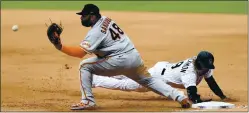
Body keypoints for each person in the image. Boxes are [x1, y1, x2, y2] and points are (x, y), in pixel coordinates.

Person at [46, 4, 191, 110]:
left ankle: (87, 101)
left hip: (120, 60)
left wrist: (59, 46)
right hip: (134, 57)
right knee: (149, 80)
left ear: (93, 16)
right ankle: (179, 97)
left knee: (85, 65)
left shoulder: (95, 32)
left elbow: (79, 53)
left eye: (84, 16)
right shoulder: (106, 19)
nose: (81, 18)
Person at [92, 51, 230, 104]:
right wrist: (201, 101)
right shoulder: (190, 73)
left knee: (134, 75)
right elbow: (193, 97)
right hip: (157, 76)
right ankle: (96, 80)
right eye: (205, 66)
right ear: (199, 64)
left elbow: (211, 81)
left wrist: (222, 96)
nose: (207, 69)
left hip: (164, 68)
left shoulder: (200, 64)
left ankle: (110, 70)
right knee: (129, 85)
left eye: (209, 66)